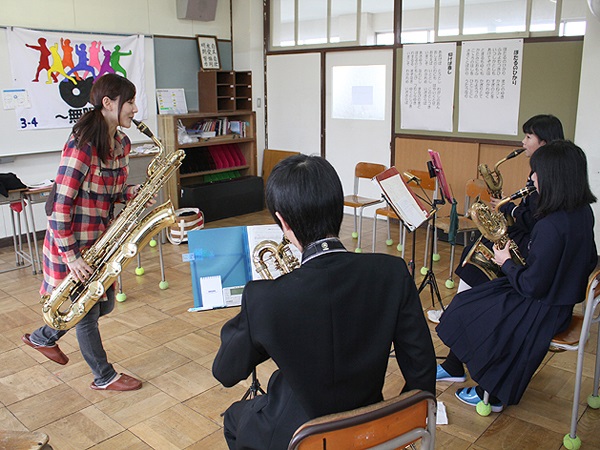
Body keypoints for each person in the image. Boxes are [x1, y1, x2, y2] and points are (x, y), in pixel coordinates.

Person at [212, 154, 436, 449]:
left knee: (234, 418)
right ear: (338, 208)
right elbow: (422, 370)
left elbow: (226, 372)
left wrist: (251, 319)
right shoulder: (393, 273)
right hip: (369, 429)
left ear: (282, 221)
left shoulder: (263, 296)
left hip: (298, 436)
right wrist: (391, 425)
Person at [435, 140, 597, 412]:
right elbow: (587, 259)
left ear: (554, 177)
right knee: (474, 302)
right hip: (560, 302)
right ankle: (461, 370)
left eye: (537, 173)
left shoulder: (551, 225)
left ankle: (490, 393)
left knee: (467, 308)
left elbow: (531, 285)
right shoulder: (582, 212)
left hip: (542, 308)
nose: (533, 178)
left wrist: (506, 262)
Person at [22, 73, 143, 391]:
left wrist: (132, 192)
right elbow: (60, 205)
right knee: (87, 311)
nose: (135, 109)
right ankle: (104, 376)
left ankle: (43, 337)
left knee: (105, 304)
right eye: (130, 102)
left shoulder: (122, 143)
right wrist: (72, 257)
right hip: (72, 244)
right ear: (108, 103)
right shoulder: (82, 144)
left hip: (100, 242)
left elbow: (110, 192)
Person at [427, 114, 565, 324]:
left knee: (476, 253)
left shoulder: (546, 176)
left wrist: (509, 208)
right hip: (528, 235)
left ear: (544, 142)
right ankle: (462, 309)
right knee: (475, 250)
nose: (523, 142)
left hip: (530, 242)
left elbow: (534, 219)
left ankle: (457, 311)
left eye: (528, 137)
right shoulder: (547, 170)